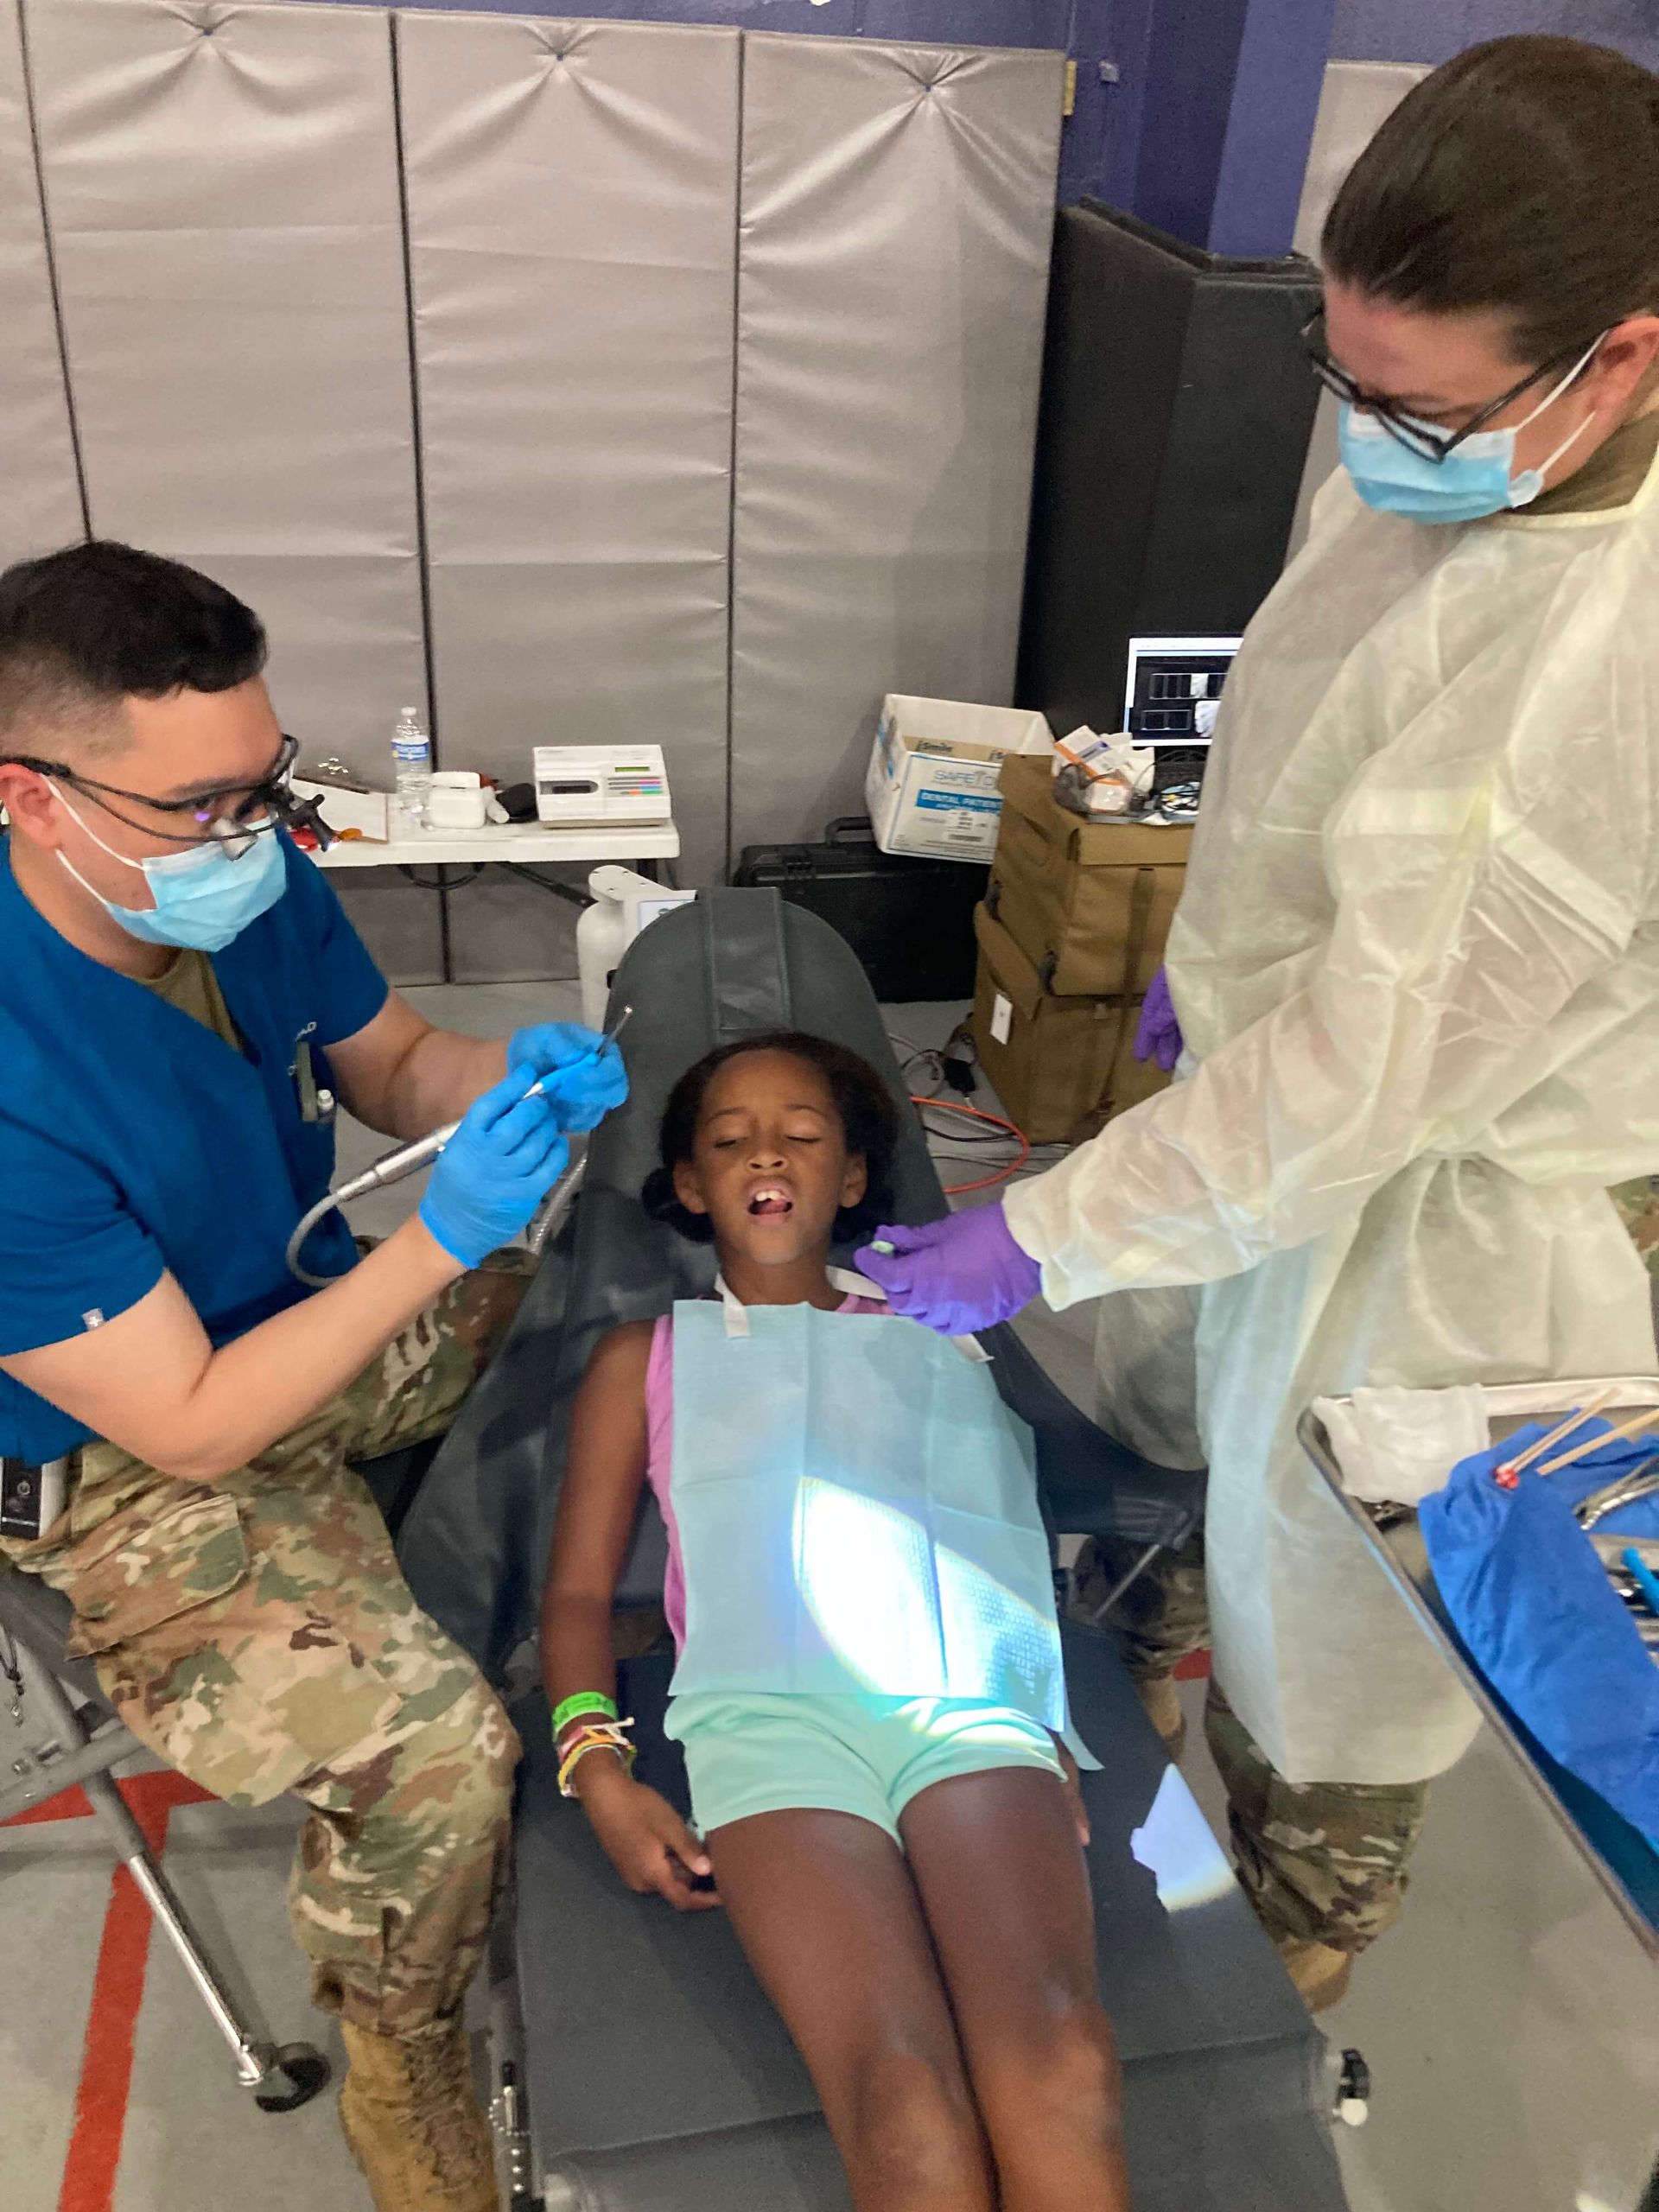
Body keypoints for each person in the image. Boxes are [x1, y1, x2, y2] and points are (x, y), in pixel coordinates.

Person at [859, 34, 1659, 2012]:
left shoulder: (1605, 666)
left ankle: (1269, 1997)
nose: (1373, 435)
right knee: (1184, 1451)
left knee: (1326, 1663)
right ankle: (1142, 1749)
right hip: (1293, 1108)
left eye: (1418, 406)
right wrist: (1217, 955)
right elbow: (1320, 746)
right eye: (1345, 376)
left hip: (1446, 1239)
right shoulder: (1454, 444)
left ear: (1619, 363)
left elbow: (1364, 1079)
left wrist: (1038, 1229)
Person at [0, 541, 627, 2210]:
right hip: (128, 1462)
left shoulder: (251, 885)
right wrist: (440, 1243)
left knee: (612, 1303)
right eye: (198, 807)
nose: (250, 837)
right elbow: (195, 1424)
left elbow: (398, 1063)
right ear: (33, 799)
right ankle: (403, 2063)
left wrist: (506, 1078)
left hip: (295, 1311)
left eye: (264, 786)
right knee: (439, 1753)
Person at [541, 1034, 1129, 2212]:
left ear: (853, 1176)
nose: (768, 1153)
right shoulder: (646, 1356)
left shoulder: (948, 1325)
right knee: (902, 2102)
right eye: (730, 1140)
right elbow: (574, 1598)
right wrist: (597, 1768)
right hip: (773, 1725)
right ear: (691, 1184)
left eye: (804, 1133)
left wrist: (1037, 1705)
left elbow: (999, 1529)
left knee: (1062, 2057)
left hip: (966, 1703)